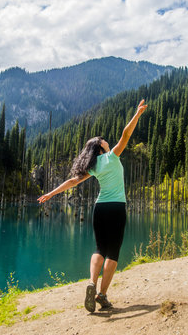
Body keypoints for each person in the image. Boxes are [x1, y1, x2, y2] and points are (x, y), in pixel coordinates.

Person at [37, 99, 147, 312]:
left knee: (100, 248)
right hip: (116, 208)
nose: (107, 141)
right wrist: (137, 114)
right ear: (100, 147)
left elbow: (72, 181)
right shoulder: (112, 157)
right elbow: (126, 134)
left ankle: (91, 282)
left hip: (99, 209)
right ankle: (102, 295)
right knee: (113, 253)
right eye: (103, 141)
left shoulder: (94, 165)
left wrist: (51, 193)